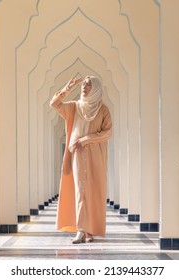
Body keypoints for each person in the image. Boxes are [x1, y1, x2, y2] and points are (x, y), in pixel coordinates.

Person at [50, 75, 112, 244]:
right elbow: (54, 104)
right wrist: (67, 88)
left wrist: (86, 139)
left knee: (93, 191)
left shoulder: (103, 110)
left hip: (96, 156)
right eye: (83, 84)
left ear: (96, 88)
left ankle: (90, 230)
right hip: (78, 154)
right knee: (80, 190)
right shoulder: (75, 107)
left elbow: (107, 132)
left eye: (89, 84)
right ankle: (81, 230)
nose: (84, 86)